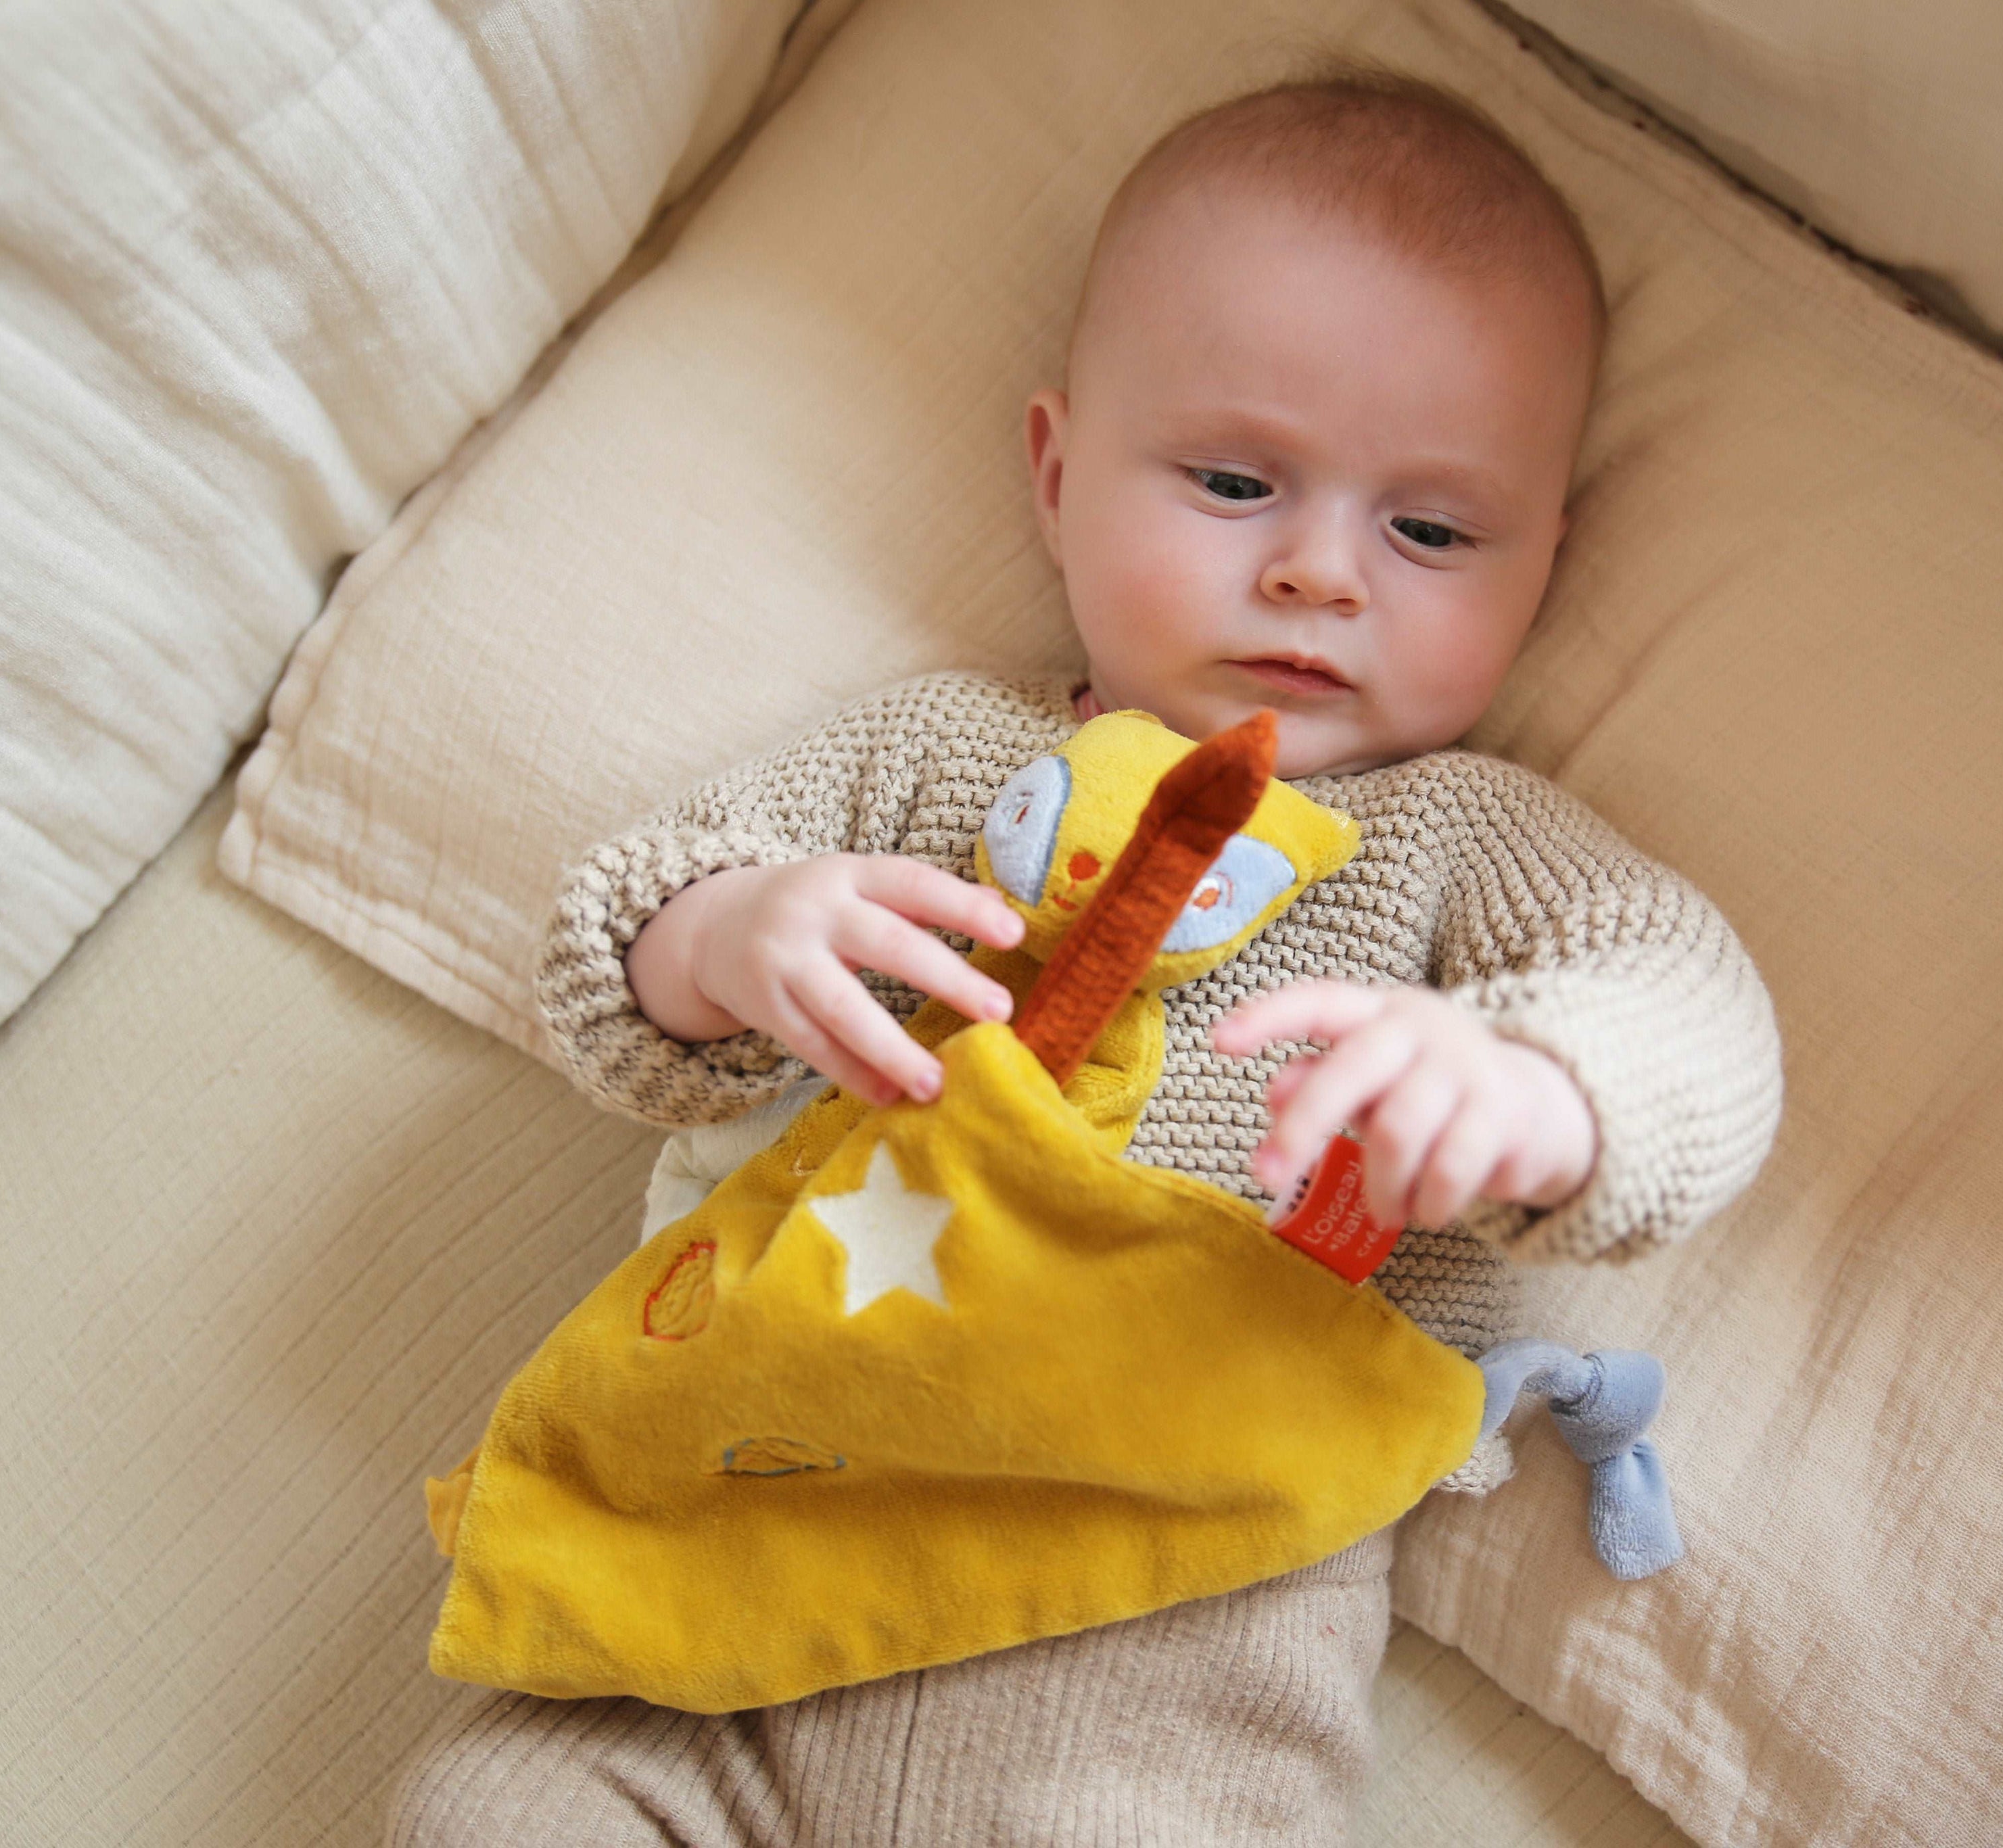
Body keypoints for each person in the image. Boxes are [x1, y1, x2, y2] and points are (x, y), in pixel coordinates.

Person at [394, 66, 1782, 1847]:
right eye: (1231, 480)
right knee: (490, 1814)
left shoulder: (1457, 840)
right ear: (1055, 474)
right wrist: (730, 936)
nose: (1315, 575)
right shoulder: (936, 757)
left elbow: (1685, 996)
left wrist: (1540, 1089)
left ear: (1542, 568)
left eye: (1428, 530)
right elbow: (625, 924)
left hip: (1165, 1633)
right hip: (739, 1520)